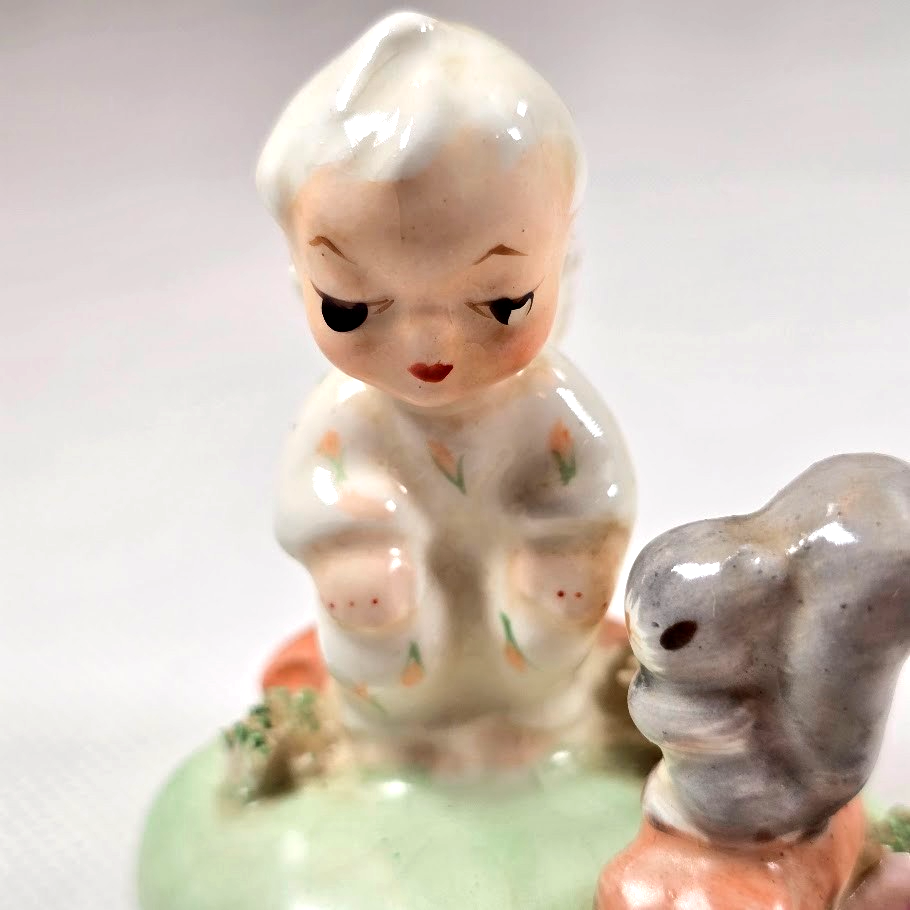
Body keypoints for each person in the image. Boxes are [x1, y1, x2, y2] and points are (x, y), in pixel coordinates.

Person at [257, 11, 635, 765]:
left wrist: (567, 542)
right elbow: (311, 491)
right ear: (302, 279)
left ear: (562, 263)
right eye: (351, 308)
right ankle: (394, 748)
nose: (429, 350)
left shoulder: (547, 406)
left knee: (538, 682)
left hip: (520, 611)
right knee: (388, 679)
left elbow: (598, 487)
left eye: (502, 303)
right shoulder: (350, 414)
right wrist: (354, 533)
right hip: (398, 623)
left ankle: (544, 736)